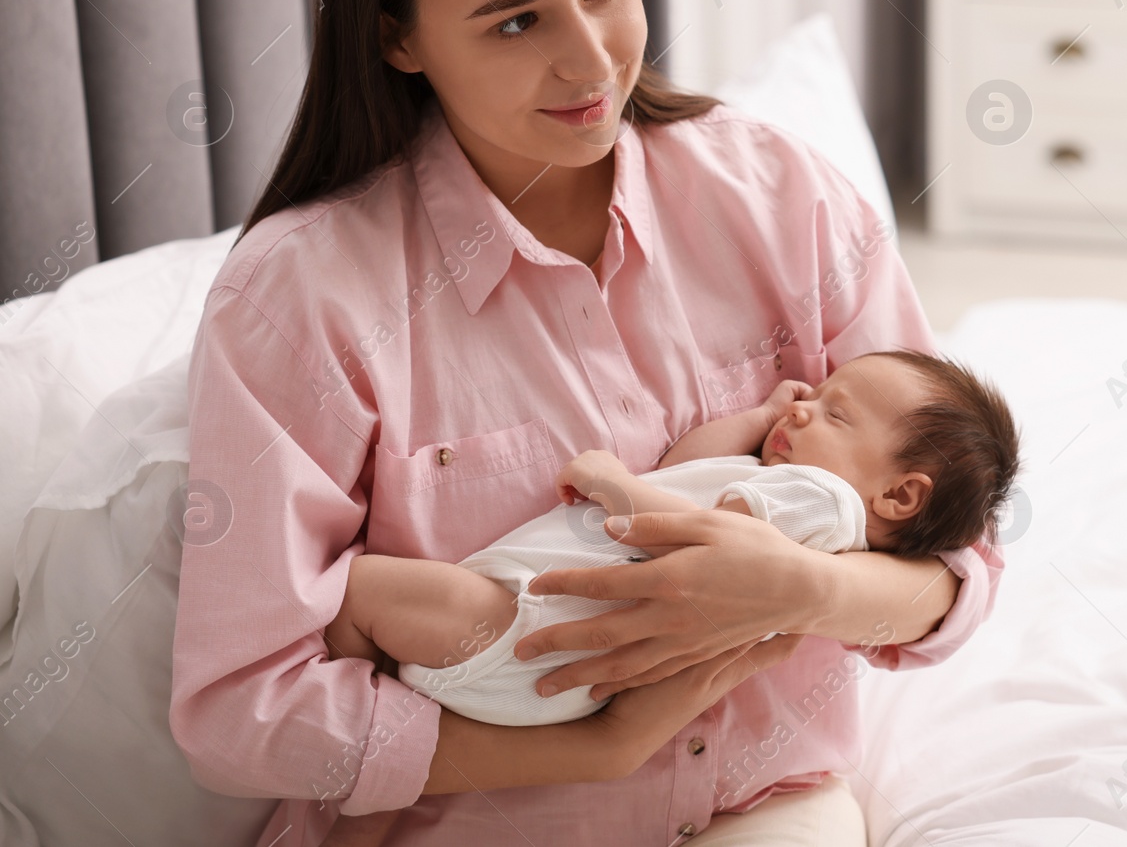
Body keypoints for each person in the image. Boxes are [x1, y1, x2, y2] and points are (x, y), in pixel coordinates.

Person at [168, 0, 1006, 844]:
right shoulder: (302, 299)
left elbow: (960, 563)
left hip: (766, 803)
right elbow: (240, 704)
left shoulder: (779, 198)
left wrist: (804, 589)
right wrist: (585, 747)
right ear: (398, 37)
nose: (591, 59)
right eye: (516, 20)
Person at [318, 351, 1019, 844]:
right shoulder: (780, 484)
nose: (805, 407)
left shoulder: (827, 503)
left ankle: (361, 817)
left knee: (354, 594)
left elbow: (694, 544)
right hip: (557, 667)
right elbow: (690, 470)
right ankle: (368, 814)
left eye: (835, 413)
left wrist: (610, 482)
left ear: (900, 493)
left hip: (522, 621)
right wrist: (763, 414)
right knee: (389, 669)